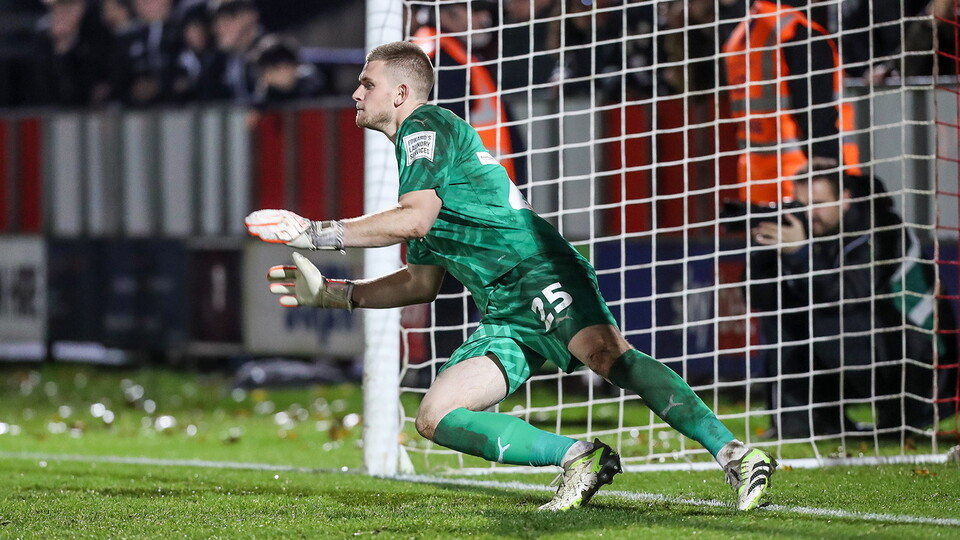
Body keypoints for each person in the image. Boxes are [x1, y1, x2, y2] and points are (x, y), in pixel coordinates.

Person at [244, 40, 776, 511]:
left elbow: (415, 219)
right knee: (436, 415)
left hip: (538, 267)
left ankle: (736, 454)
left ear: (402, 92)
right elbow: (420, 284)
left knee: (609, 357)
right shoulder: (421, 179)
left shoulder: (425, 126)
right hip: (502, 308)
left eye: (367, 83)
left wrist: (317, 233)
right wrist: (338, 295)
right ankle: (580, 458)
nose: (356, 93)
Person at [748, 158, 957, 438]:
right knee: (781, 314)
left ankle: (902, 416)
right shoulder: (811, 234)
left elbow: (846, 295)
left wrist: (799, 255)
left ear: (844, 199)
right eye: (802, 205)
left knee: (816, 315)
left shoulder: (882, 230)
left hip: (925, 367)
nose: (809, 214)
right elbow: (757, 297)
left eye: (818, 203)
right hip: (859, 355)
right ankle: (803, 419)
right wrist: (766, 252)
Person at [721, 0, 860, 205]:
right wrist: (841, 184)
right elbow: (817, 118)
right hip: (806, 188)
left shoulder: (741, 36)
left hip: (758, 185)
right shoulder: (795, 31)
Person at [247, 34, 325, 109]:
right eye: (265, 69)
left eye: (275, 68)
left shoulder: (312, 90)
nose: (266, 74)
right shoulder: (261, 99)